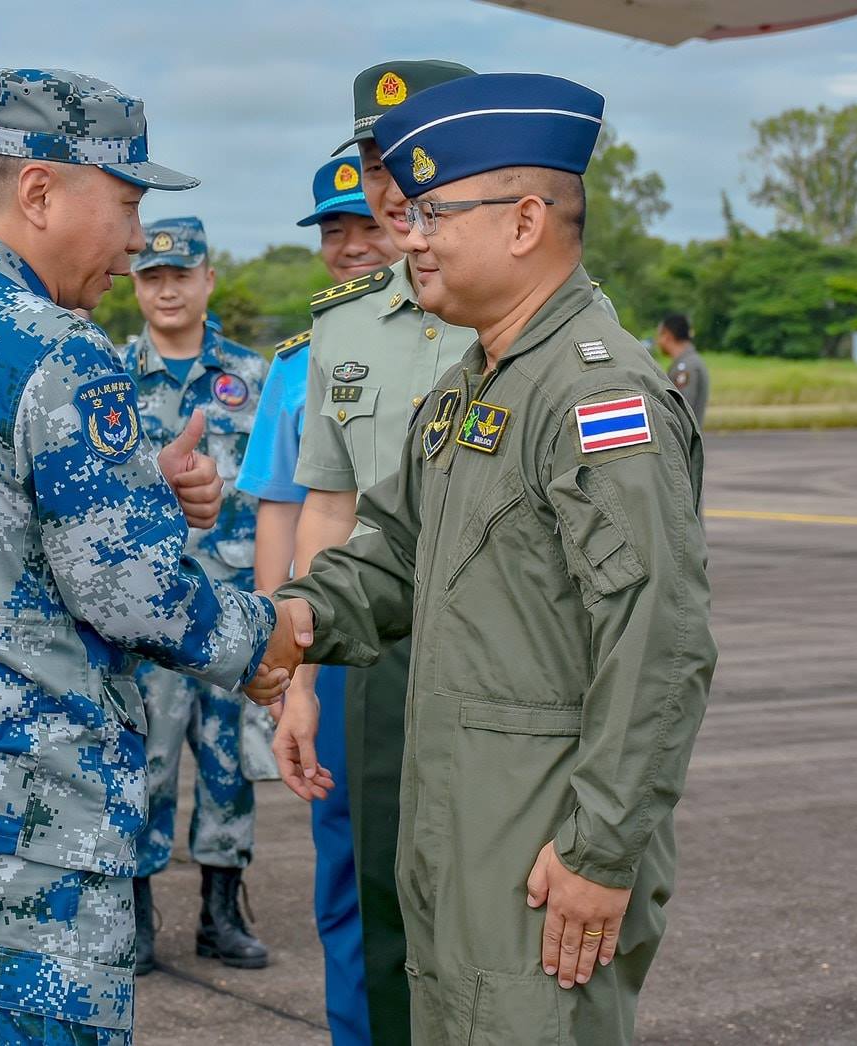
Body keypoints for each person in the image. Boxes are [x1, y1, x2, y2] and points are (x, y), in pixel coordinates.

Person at [257, 72, 717, 1044]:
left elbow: (657, 640)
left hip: (542, 846)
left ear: (521, 223)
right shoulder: (472, 391)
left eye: (433, 212)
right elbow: (389, 554)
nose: (407, 234)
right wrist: (288, 623)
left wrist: (599, 845)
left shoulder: (597, 397)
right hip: (461, 832)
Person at [0, 68, 276, 1044]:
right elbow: (133, 594)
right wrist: (272, 636)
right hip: (24, 825)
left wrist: (135, 485)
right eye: (124, 205)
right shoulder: (60, 350)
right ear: (38, 191)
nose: (132, 244)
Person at [291, 59, 478, 1046]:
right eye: (374, 160)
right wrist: (300, 679)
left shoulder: (540, 322)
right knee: (368, 907)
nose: (393, 182)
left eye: (412, 155)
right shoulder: (344, 329)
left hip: (500, 659)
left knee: (491, 914)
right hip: (373, 662)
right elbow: (325, 507)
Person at [232, 154, 393, 1046]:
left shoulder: (466, 339)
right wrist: (279, 654)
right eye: (333, 230)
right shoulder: (296, 367)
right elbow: (281, 518)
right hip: (335, 644)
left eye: (366, 223)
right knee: (346, 867)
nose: (350, 246)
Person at [123, 216, 272, 974]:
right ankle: (138, 912)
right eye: (151, 275)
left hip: (234, 613)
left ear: (209, 278)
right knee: (142, 765)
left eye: (181, 273)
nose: (168, 288)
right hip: (147, 615)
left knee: (229, 766)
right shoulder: (107, 375)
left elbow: (282, 493)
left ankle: (221, 910)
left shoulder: (253, 377)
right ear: (135, 283)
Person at [656, 312, 709, 424]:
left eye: (660, 335)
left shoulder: (685, 367)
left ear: (667, 335)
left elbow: (680, 410)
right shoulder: (689, 362)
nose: (658, 342)